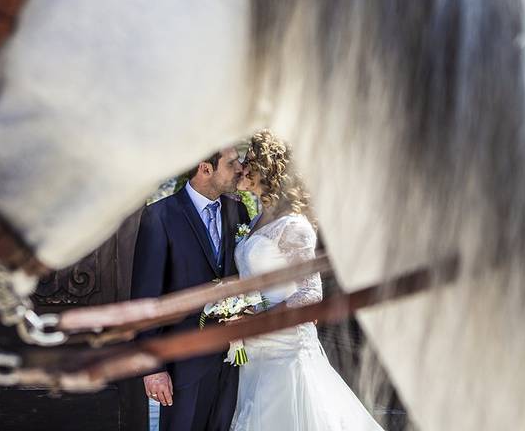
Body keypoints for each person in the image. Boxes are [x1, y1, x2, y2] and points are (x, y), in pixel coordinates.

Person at [231, 130, 384, 431]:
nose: (242, 167)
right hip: (256, 353)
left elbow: (309, 294)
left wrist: (256, 320)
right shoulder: (255, 220)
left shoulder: (294, 225)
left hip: (286, 352)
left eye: (249, 159)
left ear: (266, 167)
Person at [131, 146, 249, 431]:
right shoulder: (159, 216)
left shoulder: (239, 210)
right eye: (231, 163)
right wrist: (153, 369)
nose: (240, 169)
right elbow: (147, 297)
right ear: (205, 168)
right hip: (184, 367)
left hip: (235, 362)